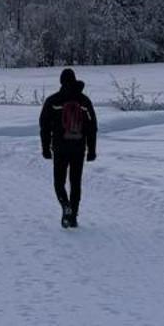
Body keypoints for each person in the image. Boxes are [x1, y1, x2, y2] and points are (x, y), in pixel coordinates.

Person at [38, 67, 97, 229]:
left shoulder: (53, 100)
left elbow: (44, 126)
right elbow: (92, 127)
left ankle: (65, 206)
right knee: (75, 182)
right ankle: (73, 217)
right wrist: (92, 150)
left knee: (59, 182)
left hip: (59, 147)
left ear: (61, 81)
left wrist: (45, 148)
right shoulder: (84, 101)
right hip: (78, 148)